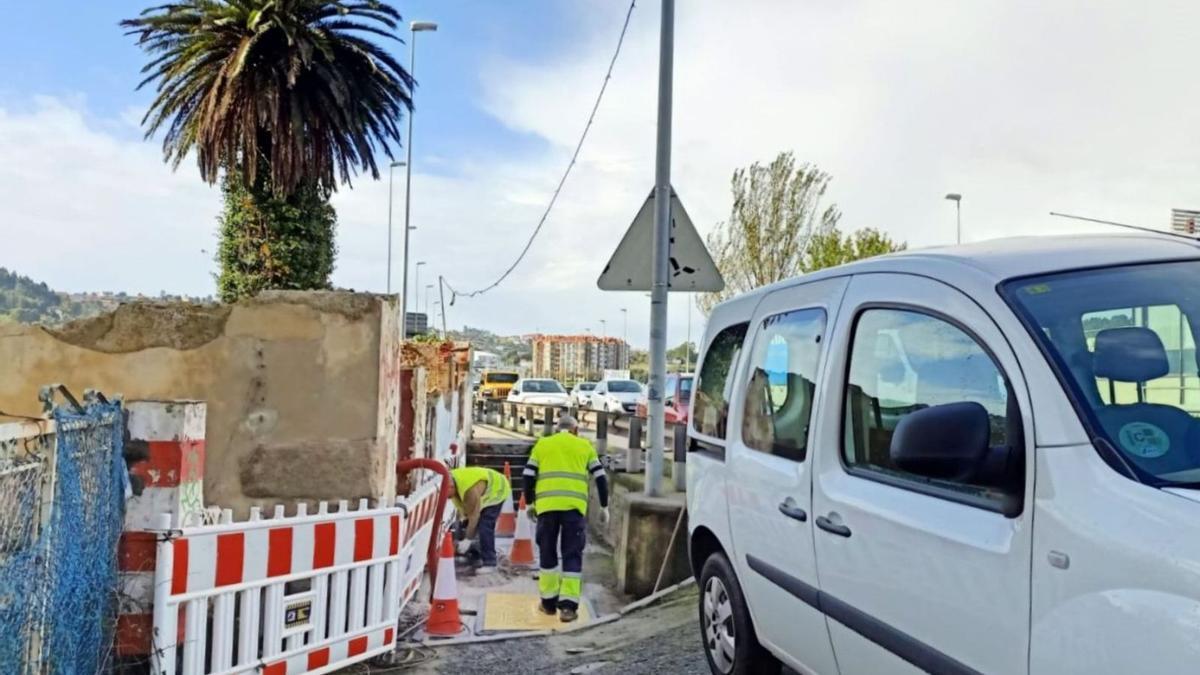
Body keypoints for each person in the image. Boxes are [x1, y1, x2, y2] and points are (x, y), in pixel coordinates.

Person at [523, 414, 609, 622]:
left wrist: (530, 502)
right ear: (575, 430)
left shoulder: (543, 444)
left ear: (556, 428)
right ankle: (568, 608)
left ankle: (548, 604)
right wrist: (604, 506)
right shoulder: (584, 446)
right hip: (573, 510)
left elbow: (528, 474)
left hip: (547, 509)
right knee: (572, 554)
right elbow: (600, 477)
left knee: (547, 554)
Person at [449, 465, 511, 574]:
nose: (446, 498)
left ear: (451, 487)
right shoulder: (453, 484)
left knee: (485, 525)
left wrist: (467, 540)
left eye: (447, 495)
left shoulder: (469, 490)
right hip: (485, 489)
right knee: (468, 524)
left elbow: (474, 517)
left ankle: (490, 562)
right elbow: (464, 514)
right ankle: (476, 554)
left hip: (498, 489)